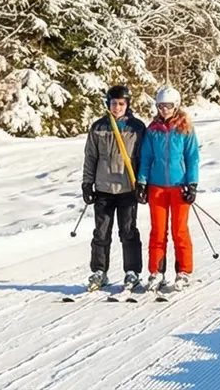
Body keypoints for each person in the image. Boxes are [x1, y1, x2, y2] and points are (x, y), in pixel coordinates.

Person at [80, 85, 148, 293]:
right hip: (103, 188)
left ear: (127, 105)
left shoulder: (136, 127)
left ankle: (132, 271)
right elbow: (90, 156)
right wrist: (87, 182)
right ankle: (100, 271)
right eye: (113, 103)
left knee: (128, 231)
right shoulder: (98, 127)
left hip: (127, 188)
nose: (117, 107)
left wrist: (144, 183)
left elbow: (144, 157)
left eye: (121, 104)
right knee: (101, 233)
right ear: (107, 104)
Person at [135, 86, 200, 294]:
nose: (164, 110)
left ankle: (184, 271)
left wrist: (192, 183)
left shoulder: (185, 128)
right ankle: (156, 271)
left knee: (179, 230)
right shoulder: (152, 129)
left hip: (179, 186)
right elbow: (146, 157)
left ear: (176, 106)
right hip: (157, 187)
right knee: (157, 231)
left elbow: (192, 158)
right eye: (161, 106)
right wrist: (142, 182)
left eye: (168, 106)